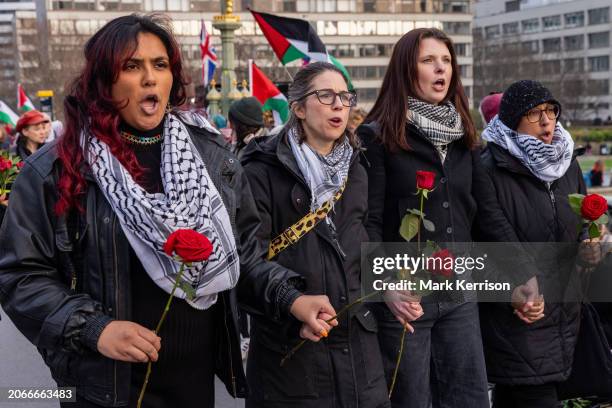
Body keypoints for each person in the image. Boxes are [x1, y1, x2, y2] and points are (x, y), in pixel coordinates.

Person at [0, 14, 336, 408]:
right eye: (131, 66)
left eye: (159, 65)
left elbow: (241, 256)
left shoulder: (212, 157)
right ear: (103, 81)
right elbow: (20, 275)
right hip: (106, 385)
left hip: (193, 381)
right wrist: (95, 328)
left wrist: (291, 298)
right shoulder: (56, 168)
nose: (149, 78)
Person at [240, 61, 390, 408]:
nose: (339, 104)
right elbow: (244, 262)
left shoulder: (356, 168)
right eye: (325, 95)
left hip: (360, 362)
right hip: (292, 358)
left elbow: (362, 245)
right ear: (298, 108)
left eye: (344, 96)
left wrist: (388, 285)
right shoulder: (261, 171)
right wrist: (292, 302)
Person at [357, 28, 489, 408]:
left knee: (470, 399)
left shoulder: (465, 136)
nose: (440, 69)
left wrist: (520, 274)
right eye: (428, 60)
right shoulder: (376, 137)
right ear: (406, 70)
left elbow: (483, 215)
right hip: (405, 301)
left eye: (446, 60)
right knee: (409, 400)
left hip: (460, 295)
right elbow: (367, 222)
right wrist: (384, 286)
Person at [474, 80, 587, 407]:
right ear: (511, 120)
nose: (546, 121)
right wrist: (510, 291)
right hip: (520, 319)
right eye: (534, 113)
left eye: (551, 111)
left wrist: (590, 245)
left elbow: (577, 226)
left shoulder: (567, 163)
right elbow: (488, 242)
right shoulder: (490, 167)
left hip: (565, 316)